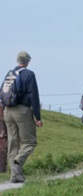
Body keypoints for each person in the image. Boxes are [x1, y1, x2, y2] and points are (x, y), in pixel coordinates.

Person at [2, 51, 42, 183]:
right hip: (22, 111)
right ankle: (18, 160)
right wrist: (38, 116)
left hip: (7, 111)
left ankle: (15, 175)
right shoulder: (29, 74)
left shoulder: (10, 74)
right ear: (27, 61)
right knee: (30, 142)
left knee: (13, 143)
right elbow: (34, 96)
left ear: (17, 60)